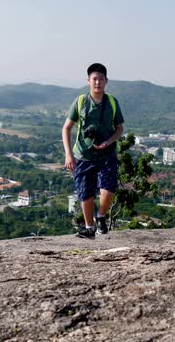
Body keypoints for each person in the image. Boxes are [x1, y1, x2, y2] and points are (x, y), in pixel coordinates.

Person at [62, 63, 125, 239]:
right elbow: (66, 128)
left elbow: (119, 129)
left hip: (107, 154)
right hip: (84, 154)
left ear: (106, 81)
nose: (97, 82)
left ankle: (101, 216)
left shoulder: (112, 102)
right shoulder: (80, 101)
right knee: (85, 192)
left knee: (108, 188)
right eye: (94, 79)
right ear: (88, 81)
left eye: (101, 79)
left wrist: (109, 141)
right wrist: (69, 154)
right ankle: (89, 228)